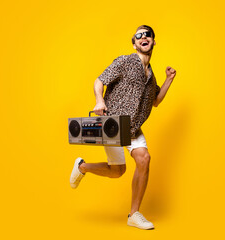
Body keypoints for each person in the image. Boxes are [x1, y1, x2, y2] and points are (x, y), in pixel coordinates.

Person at [70, 25, 176, 230]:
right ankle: (82, 166)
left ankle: (134, 214)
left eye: (148, 35)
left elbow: (155, 101)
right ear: (134, 43)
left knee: (144, 158)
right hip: (114, 125)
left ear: (154, 41)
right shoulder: (125, 61)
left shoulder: (151, 75)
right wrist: (99, 101)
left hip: (134, 127)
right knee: (117, 171)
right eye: (139, 35)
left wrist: (168, 80)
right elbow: (99, 80)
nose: (144, 37)